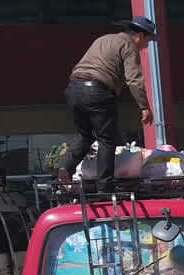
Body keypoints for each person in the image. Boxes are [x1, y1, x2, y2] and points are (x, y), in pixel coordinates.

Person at [59, 16, 156, 192]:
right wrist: (144, 107)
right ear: (140, 36)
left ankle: (66, 167)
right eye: (148, 41)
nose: (145, 46)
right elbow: (134, 79)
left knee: (85, 134)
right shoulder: (129, 46)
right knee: (107, 139)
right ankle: (105, 187)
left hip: (73, 89)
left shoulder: (103, 39)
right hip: (97, 91)